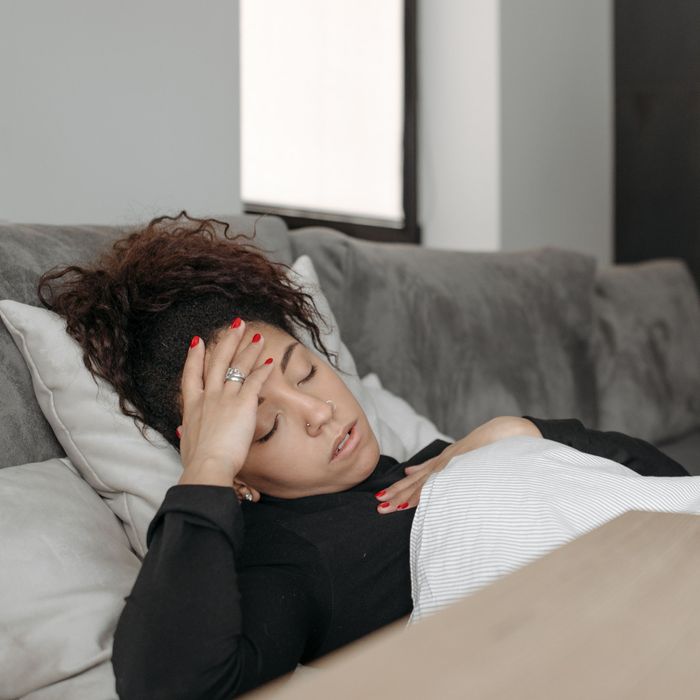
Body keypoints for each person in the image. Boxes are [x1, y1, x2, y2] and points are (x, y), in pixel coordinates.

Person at [37, 213, 690, 699]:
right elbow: (167, 684)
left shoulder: (436, 459)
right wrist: (205, 469)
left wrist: (517, 431)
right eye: (265, 428)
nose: (322, 414)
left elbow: (664, 485)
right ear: (236, 462)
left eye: (307, 371)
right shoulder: (288, 557)